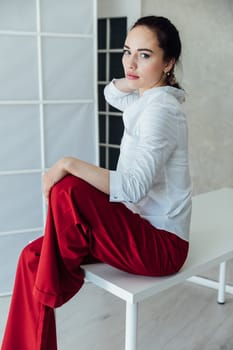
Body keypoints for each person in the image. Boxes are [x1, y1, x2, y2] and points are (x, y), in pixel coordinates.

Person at [1, 15, 192, 350]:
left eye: (144, 55)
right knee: (31, 258)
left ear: (169, 62)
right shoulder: (147, 97)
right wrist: (137, 76)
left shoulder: (161, 111)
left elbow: (132, 187)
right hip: (133, 228)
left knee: (69, 187)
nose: (131, 62)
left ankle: (59, 274)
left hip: (161, 247)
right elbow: (111, 93)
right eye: (126, 51)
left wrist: (68, 163)